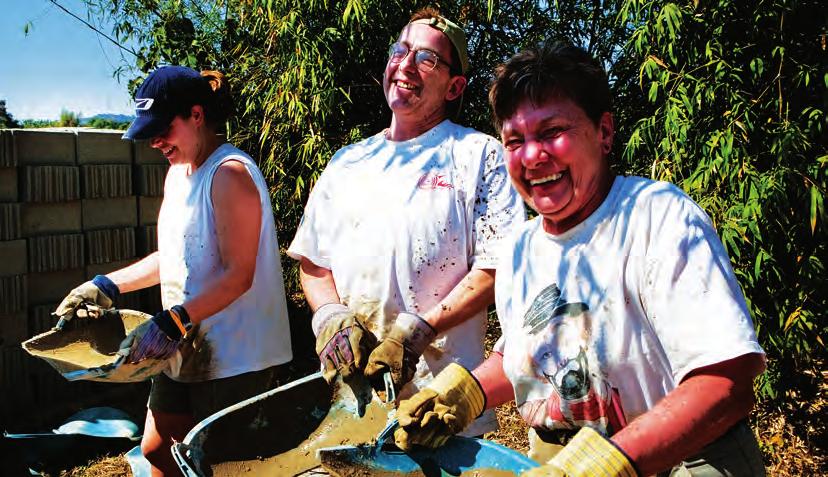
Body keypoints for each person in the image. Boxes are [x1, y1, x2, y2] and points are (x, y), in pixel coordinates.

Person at [392, 42, 767, 477]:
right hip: (562, 458)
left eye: (552, 132)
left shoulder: (658, 216)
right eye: (516, 140)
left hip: (683, 459)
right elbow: (527, 352)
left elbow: (727, 381)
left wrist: (609, 461)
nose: (532, 156)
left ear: (604, 132)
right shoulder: (520, 249)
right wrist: (463, 394)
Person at [287, 7, 525, 437]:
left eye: (426, 58)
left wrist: (417, 331)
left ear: (455, 86)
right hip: (353, 402)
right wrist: (330, 316)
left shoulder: (480, 155)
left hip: (441, 404)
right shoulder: (348, 162)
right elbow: (314, 264)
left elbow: (497, 268)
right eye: (401, 50)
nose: (406, 64)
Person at [54, 66, 293, 475]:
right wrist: (106, 286)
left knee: (224, 466)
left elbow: (239, 275)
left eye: (163, 128)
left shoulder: (229, 174)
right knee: (156, 450)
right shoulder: (178, 174)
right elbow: (176, 255)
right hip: (185, 344)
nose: (156, 142)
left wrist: (174, 320)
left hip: (236, 357)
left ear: (196, 115)